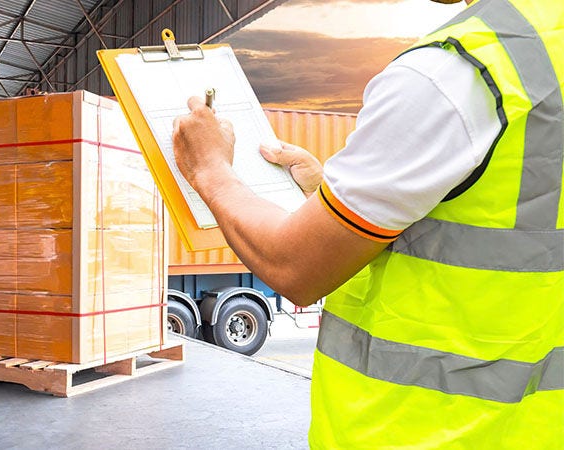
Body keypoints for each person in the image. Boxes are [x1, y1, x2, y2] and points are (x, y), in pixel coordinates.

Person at [172, 0, 563, 447]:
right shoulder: (548, 52)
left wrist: (210, 170)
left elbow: (294, 267)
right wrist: (328, 194)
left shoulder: (462, 69)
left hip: (423, 430)